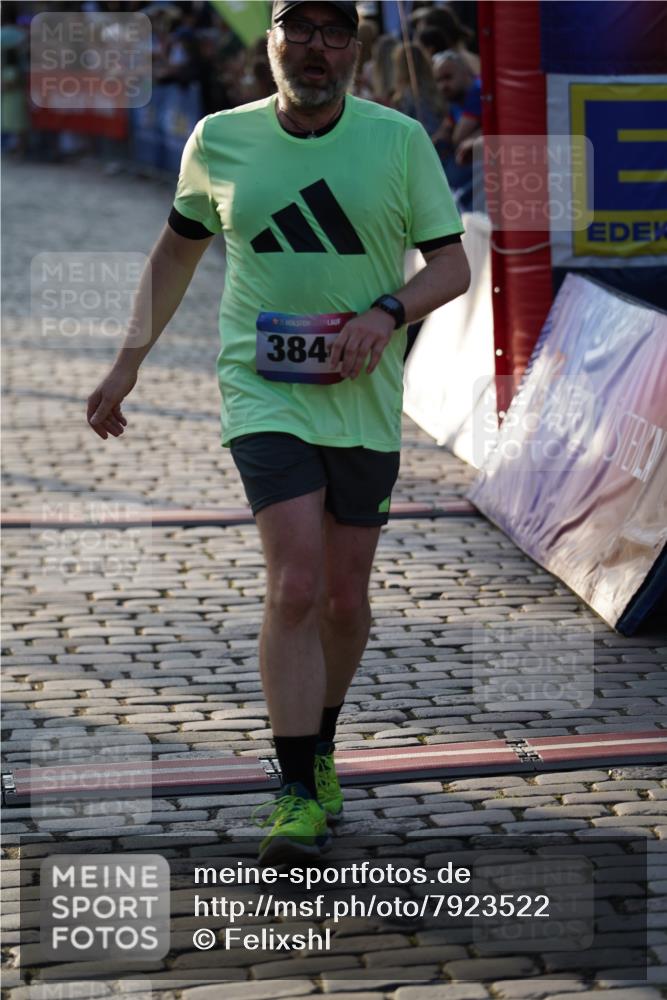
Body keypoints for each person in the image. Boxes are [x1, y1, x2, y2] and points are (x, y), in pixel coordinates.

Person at [86, 0, 470, 865]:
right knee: (295, 583)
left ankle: (321, 742)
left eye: (335, 34)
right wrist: (126, 363)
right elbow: (176, 253)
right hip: (264, 389)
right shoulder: (219, 138)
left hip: (363, 395)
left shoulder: (397, 140)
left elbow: (451, 264)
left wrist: (386, 312)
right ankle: (295, 788)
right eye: (298, 30)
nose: (315, 49)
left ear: (355, 52)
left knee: (344, 597)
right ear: (270, 41)